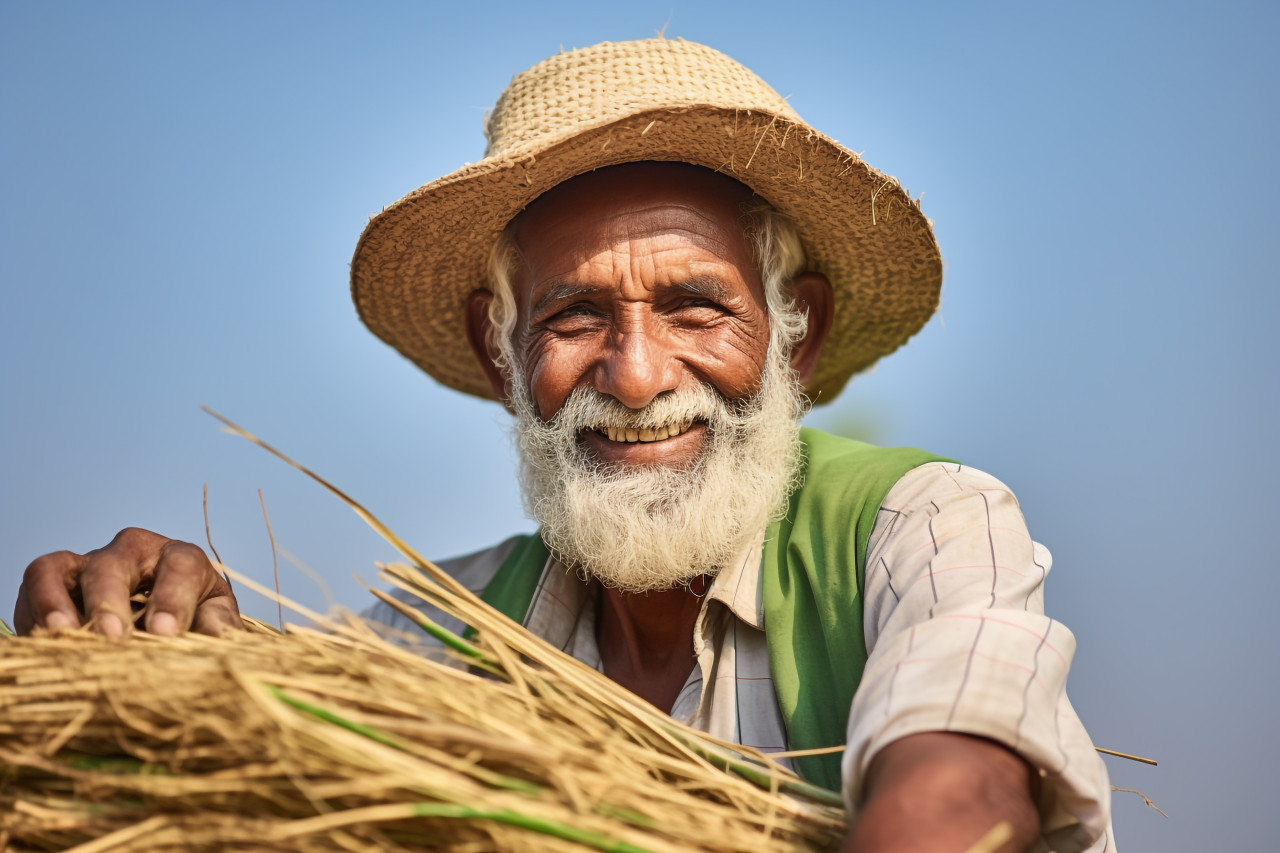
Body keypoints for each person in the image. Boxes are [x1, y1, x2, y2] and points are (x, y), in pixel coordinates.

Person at [14, 38, 1115, 852]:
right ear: (499, 357)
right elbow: (267, 754)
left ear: (795, 336)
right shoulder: (443, 626)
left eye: (694, 309)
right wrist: (170, 643)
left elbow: (957, 792)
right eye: (573, 318)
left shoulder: (915, 526)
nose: (635, 377)